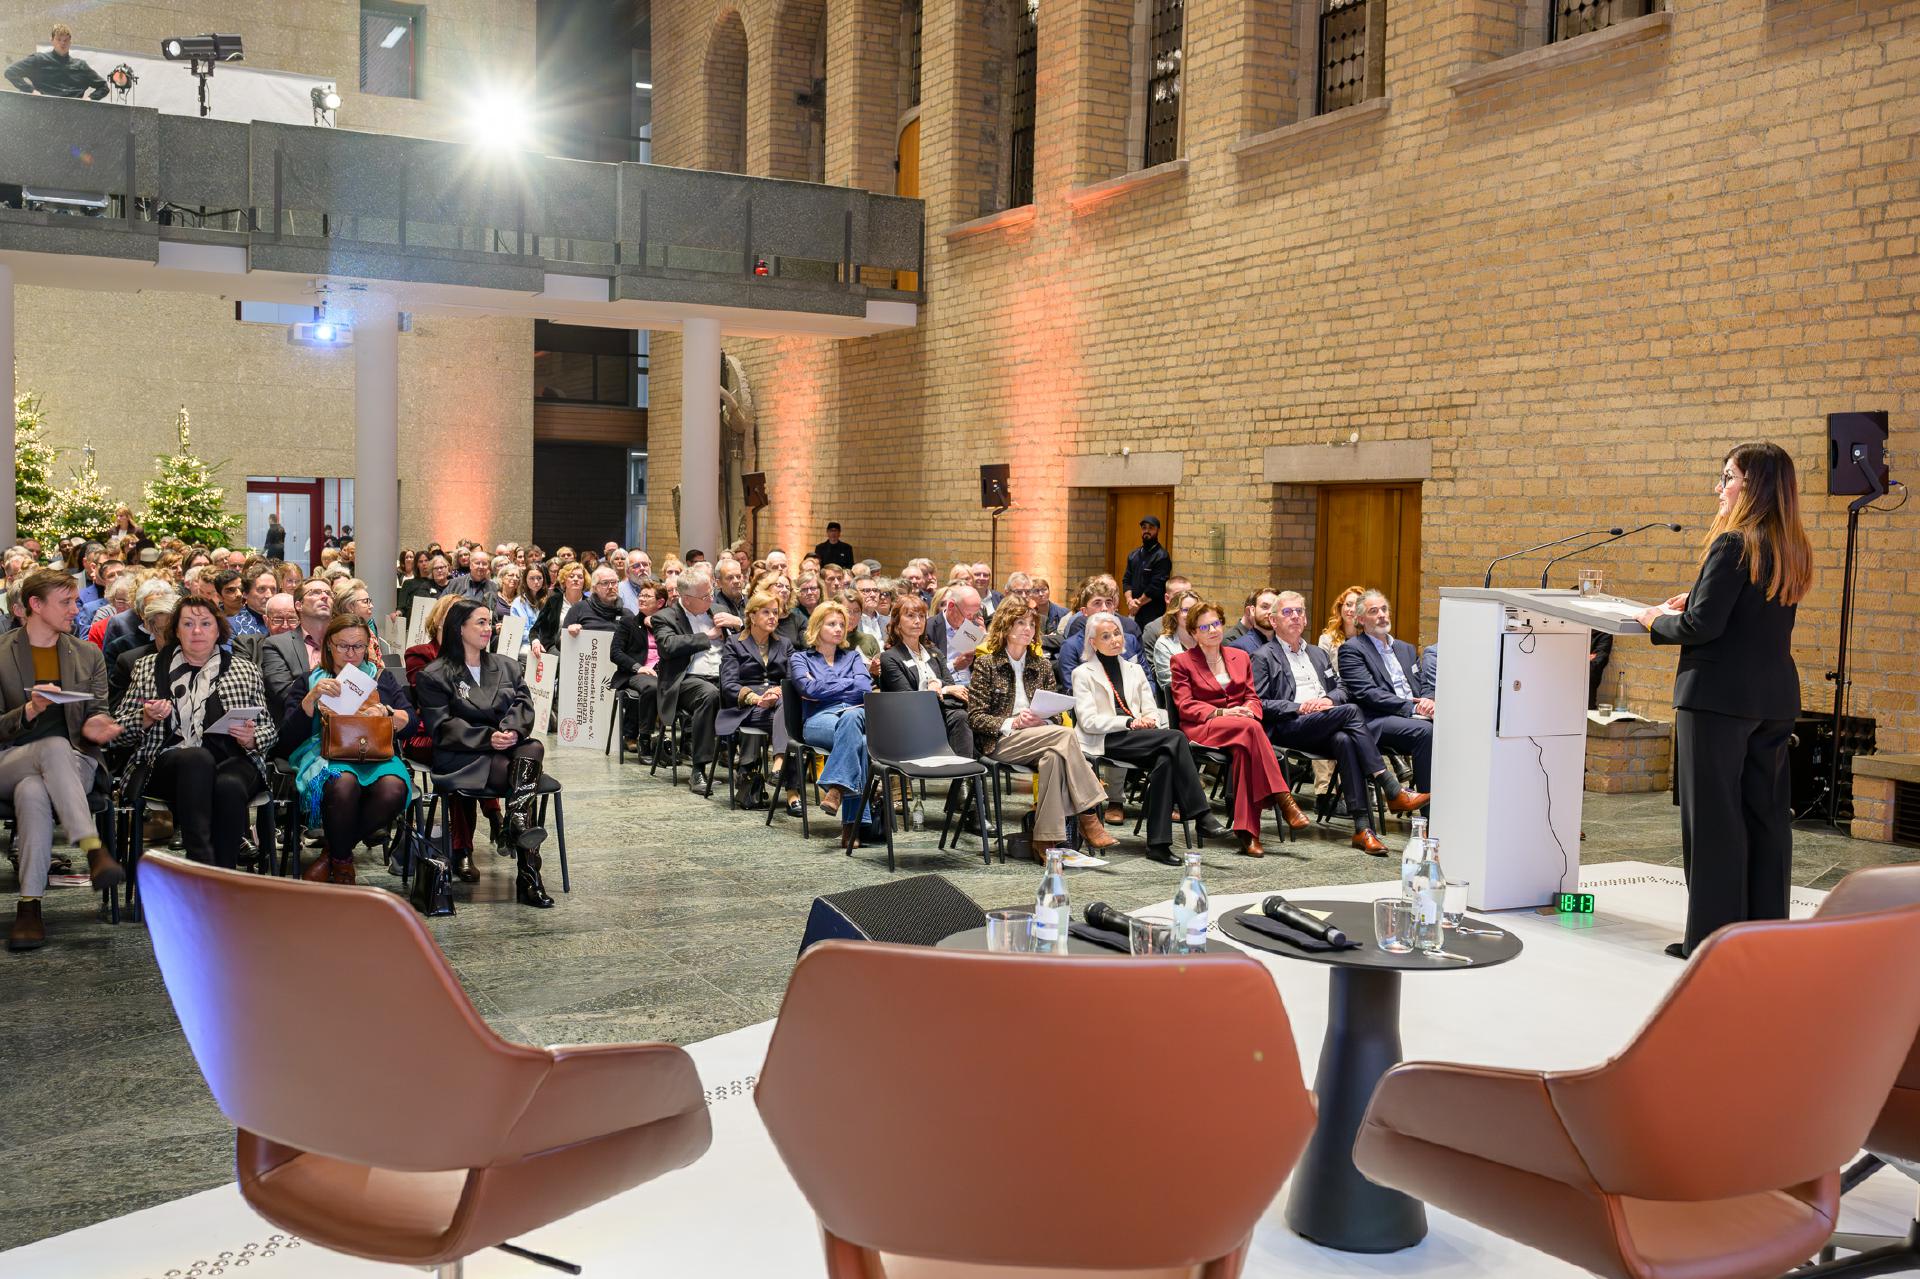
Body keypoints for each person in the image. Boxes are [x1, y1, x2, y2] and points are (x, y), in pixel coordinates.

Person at [1637, 442, 1812, 960]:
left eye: (1728, 477)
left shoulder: (1734, 542)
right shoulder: (1790, 546)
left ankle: (1711, 942)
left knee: (1713, 822)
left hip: (1716, 699)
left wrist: (1654, 620)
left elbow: (1701, 628)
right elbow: (1748, 613)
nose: (1720, 487)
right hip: (1773, 699)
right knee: (1766, 820)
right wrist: (1697, 599)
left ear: (1753, 487)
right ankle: (1764, 936)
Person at [1, 569, 125, 951]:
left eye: (74, 600)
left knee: (33, 791)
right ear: (35, 605)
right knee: (51, 747)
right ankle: (92, 848)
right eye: (66, 602)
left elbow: (98, 711)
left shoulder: (87, 654)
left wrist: (98, 725)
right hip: (10, 759)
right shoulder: (2, 653)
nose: (76, 609)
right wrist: (29, 710)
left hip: (74, 763)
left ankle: (29, 907)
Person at [1253, 591, 1429, 854]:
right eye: (1288, 612)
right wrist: (1300, 706)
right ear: (1274, 620)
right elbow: (1259, 703)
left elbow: (1342, 689)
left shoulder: (1317, 654)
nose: (1295, 617)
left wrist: (1327, 699)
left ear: (1306, 619)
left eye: (1300, 611)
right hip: (1290, 726)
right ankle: (1390, 787)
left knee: (1345, 739)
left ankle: (1362, 829)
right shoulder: (1263, 656)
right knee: (1352, 711)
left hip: (1323, 722)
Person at [116, 596, 277, 869]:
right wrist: (144, 718)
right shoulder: (148, 668)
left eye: (205, 623)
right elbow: (118, 730)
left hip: (234, 759)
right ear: (176, 630)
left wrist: (253, 738)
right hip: (168, 765)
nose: (197, 631)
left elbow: (269, 729)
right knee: (196, 758)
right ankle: (201, 861)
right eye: (188, 624)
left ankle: (221, 874)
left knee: (228, 786)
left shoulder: (244, 669)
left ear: (218, 629)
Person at [414, 600, 554, 907]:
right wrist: (488, 737)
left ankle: (516, 823)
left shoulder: (506, 665)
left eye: (489, 622)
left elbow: (523, 704)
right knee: (523, 778)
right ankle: (529, 875)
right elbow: (442, 727)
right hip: (464, 756)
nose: (488, 628)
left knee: (533, 747)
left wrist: (512, 731)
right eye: (480, 622)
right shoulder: (434, 675)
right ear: (459, 628)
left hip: (506, 748)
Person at [965, 600, 1115, 861]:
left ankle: (1044, 839)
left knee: (1053, 758)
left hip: (1042, 737)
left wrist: (1041, 722)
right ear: (1005, 627)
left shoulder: (1042, 665)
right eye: (1020, 623)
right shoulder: (986, 664)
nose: (1028, 629)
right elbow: (976, 718)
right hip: (1002, 740)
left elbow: (1055, 713)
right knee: (1067, 734)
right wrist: (1013, 722)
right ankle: (1088, 814)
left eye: (1032, 624)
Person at [1072, 612, 1227, 864]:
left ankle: (1159, 845)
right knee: (1176, 739)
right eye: (1106, 636)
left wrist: (1148, 721)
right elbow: (1088, 721)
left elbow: (1151, 709)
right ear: (1093, 642)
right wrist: (1128, 722)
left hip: (1138, 737)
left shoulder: (1134, 670)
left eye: (1117, 633)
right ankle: (1201, 815)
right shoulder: (1083, 673)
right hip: (1104, 740)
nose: (1115, 639)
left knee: (1167, 758)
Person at [1171, 599, 1307, 857]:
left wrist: (1249, 711)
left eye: (1216, 624)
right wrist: (1223, 712)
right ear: (1193, 633)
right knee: (1251, 729)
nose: (1213, 630)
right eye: (1204, 627)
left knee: (1246, 748)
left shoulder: (1240, 656)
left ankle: (1248, 833)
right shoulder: (1182, 661)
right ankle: (1283, 797)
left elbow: (1252, 697)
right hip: (1204, 727)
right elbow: (1185, 706)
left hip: (1242, 728)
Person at [287, 614, 413, 884]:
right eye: (343, 646)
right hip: (327, 754)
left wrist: (388, 713)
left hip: (376, 754)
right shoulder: (310, 680)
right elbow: (286, 738)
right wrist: (310, 700)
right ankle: (343, 866)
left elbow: (411, 723)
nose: (351, 653)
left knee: (393, 789)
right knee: (343, 783)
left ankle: (333, 855)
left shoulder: (381, 678)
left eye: (358, 646)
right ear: (328, 645)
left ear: (367, 646)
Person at [790, 601, 876, 849]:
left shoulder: (852, 656)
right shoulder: (800, 658)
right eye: (832, 624)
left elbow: (864, 689)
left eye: (841, 624)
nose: (839, 629)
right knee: (860, 743)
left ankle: (836, 790)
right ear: (817, 627)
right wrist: (847, 683)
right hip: (819, 720)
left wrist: (823, 686)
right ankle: (852, 826)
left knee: (852, 721)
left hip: (854, 715)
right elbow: (808, 689)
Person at [650, 565, 737, 795]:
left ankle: (748, 768)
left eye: (711, 592)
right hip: (686, 680)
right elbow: (667, 646)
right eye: (705, 596)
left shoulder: (719, 610)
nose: (711, 598)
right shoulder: (665, 617)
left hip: (724, 676)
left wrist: (738, 623)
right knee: (709, 695)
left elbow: (746, 640)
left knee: (753, 694)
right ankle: (699, 769)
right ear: (687, 599)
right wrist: (705, 637)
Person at [1337, 590, 1434, 793]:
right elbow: (1367, 693)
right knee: (1426, 731)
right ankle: (1428, 807)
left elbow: (1423, 683)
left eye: (1384, 609)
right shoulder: (1352, 649)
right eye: (1374, 611)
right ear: (1361, 619)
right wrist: (1413, 708)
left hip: (1414, 714)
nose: (1381, 615)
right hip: (1377, 719)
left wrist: (1428, 700)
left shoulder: (1406, 649)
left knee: (1455, 727)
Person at [718, 591, 795, 810]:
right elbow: (728, 684)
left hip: (777, 703)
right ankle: (793, 793)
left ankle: (779, 764)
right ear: (752, 616)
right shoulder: (734, 643)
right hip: (746, 707)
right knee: (793, 726)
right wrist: (755, 698)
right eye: (766, 612)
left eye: (775, 612)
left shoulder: (785, 644)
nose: (772, 617)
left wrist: (778, 691)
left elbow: (792, 680)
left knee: (786, 707)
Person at [258, 577, 337, 759]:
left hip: (344, 729)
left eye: (328, 593)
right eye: (315, 592)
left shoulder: (345, 643)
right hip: (300, 733)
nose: (324, 596)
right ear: (299, 605)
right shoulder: (276, 644)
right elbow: (285, 693)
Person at [611, 578, 663, 752]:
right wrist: (638, 667)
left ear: (660, 603)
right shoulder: (628, 623)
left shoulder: (668, 625)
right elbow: (615, 653)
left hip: (663, 672)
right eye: (641, 595)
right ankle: (643, 738)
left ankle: (681, 740)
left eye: (647, 596)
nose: (641, 598)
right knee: (652, 687)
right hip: (635, 673)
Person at [5, 24, 107, 99]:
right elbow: (11, 72)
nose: (63, 43)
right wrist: (31, 91)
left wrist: (90, 99)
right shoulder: (38, 60)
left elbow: (103, 87)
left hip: (73, 114)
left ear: (70, 42)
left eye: (66, 40)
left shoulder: (80, 66)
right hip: (43, 111)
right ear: (52, 41)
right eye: (59, 39)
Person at [1122, 515, 1173, 630]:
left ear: (1157, 530)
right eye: (1144, 528)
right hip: (1134, 610)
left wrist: (1138, 604)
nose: (1147, 531)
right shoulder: (1133, 555)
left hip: (1153, 613)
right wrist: (1130, 601)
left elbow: (1156, 587)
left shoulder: (1162, 556)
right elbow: (1126, 580)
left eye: (1151, 528)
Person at [926, 584, 983, 685]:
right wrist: (954, 666)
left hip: (972, 685)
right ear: (951, 606)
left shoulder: (973, 626)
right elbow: (927, 672)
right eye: (968, 615)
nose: (970, 620)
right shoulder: (929, 628)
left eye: (974, 615)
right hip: (946, 686)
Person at [530, 563, 585, 655]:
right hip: (556, 647)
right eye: (571, 576)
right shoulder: (553, 601)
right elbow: (536, 628)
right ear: (564, 581)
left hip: (583, 648)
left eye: (580, 577)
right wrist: (535, 641)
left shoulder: (590, 603)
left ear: (584, 581)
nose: (576, 579)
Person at [1152, 589, 1200, 690]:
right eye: (1186, 610)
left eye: (1195, 610)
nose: (1191, 614)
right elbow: (1169, 683)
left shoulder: (1205, 638)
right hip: (1182, 697)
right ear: (1175, 612)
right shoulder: (1164, 644)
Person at [564, 566, 625, 638]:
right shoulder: (578, 609)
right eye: (605, 583)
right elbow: (561, 640)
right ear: (594, 588)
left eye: (614, 582)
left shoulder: (626, 614)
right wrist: (569, 632)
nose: (611, 587)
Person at [1138, 574, 1192, 652]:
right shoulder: (1153, 629)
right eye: (1178, 595)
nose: (1184, 599)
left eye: (1188, 595)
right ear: (1167, 598)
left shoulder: (1198, 626)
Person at [1225, 587, 1279, 657]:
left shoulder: (1286, 644)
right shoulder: (1238, 647)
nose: (1270, 612)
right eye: (1265, 607)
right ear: (1252, 610)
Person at [1318, 584, 1367, 659]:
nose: (1352, 610)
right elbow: (1321, 666)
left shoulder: (1370, 640)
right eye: (1349, 604)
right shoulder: (1326, 640)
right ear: (1340, 607)